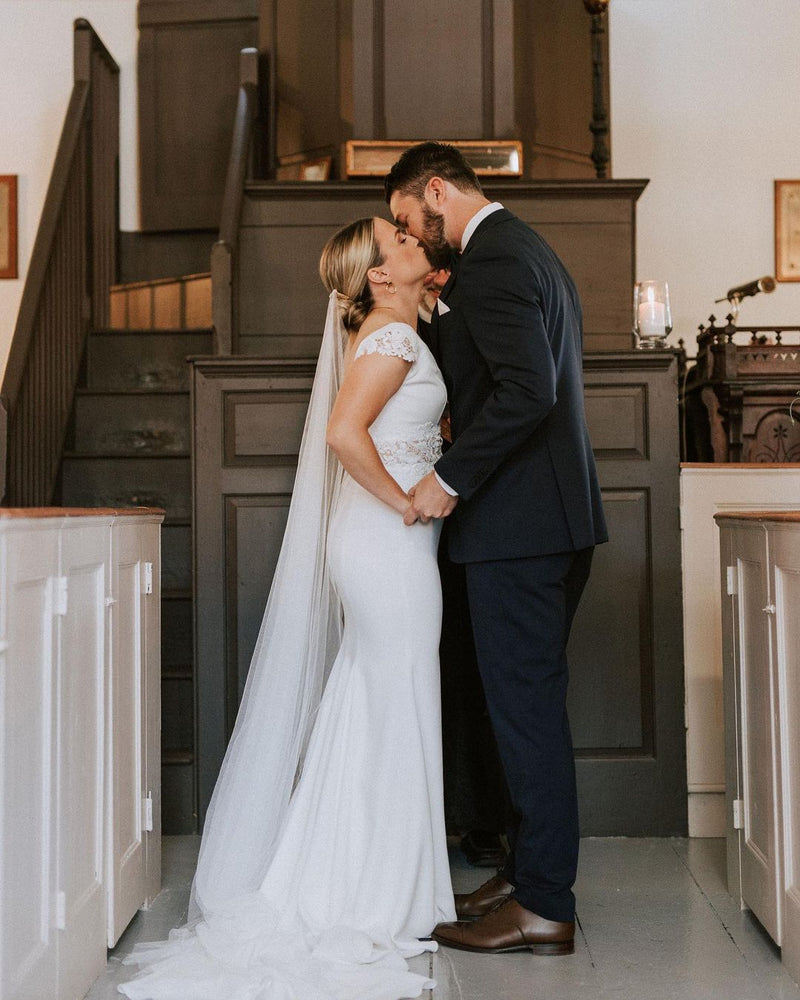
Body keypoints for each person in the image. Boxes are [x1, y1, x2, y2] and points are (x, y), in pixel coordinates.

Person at [117, 216, 455, 1000]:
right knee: (393, 695)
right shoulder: (391, 340)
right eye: (396, 239)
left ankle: (373, 874)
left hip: (378, 545)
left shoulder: (394, 333)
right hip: (385, 544)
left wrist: (426, 442)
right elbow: (344, 432)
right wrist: (403, 501)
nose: (410, 240)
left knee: (374, 699)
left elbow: (385, 424)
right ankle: (377, 888)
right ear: (378, 273)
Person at [386, 141, 607, 956]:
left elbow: (529, 390)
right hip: (547, 520)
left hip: (520, 529)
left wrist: (448, 479)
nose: (416, 238)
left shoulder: (494, 261)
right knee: (518, 710)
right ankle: (527, 870)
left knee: (527, 717)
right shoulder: (527, 250)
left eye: (413, 221)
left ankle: (546, 904)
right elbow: (511, 374)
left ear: (437, 191)